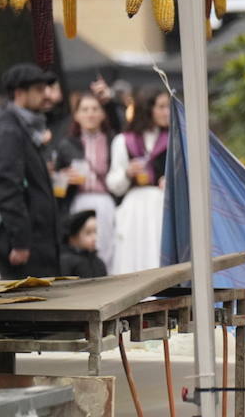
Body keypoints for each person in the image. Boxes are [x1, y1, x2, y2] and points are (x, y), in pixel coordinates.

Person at [0, 63, 60, 279]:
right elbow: (7, 187)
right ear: (19, 93)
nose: (46, 94)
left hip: (38, 243)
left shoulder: (24, 127)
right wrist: (20, 242)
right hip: (26, 248)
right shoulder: (8, 130)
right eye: (38, 89)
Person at [108, 86, 169, 274]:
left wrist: (172, 182)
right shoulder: (123, 141)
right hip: (134, 208)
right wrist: (127, 173)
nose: (167, 112)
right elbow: (113, 184)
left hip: (162, 205)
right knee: (132, 257)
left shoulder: (174, 139)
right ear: (147, 108)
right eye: (161, 106)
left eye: (168, 106)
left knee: (158, 253)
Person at [54, 93, 117, 271]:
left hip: (105, 200)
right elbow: (57, 187)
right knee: (82, 247)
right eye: (85, 109)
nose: (90, 114)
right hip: (79, 200)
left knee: (108, 246)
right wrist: (64, 178)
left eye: (95, 109)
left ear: (103, 114)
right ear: (76, 115)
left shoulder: (112, 140)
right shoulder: (67, 144)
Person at [59, 210, 107, 278]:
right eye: (88, 233)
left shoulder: (98, 262)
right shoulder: (66, 262)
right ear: (72, 238)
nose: (94, 238)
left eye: (95, 232)